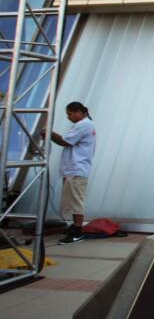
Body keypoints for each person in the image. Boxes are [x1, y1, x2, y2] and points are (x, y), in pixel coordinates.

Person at [48, 101, 96, 244]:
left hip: (77, 169)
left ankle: (77, 231)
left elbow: (65, 141)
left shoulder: (84, 125)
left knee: (76, 202)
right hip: (74, 169)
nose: (68, 117)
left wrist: (49, 133)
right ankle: (75, 227)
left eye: (69, 113)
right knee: (73, 201)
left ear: (78, 112)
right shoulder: (85, 125)